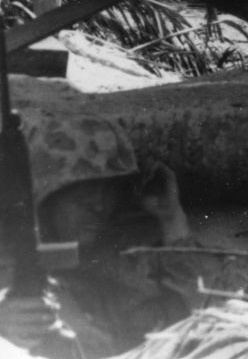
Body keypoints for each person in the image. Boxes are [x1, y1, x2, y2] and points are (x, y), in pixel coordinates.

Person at [0, 112, 210, 358]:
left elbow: (207, 310)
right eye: (82, 192)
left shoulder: (125, 259)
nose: (98, 205)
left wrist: (172, 218)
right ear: (47, 197)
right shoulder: (12, 267)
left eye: (106, 190)